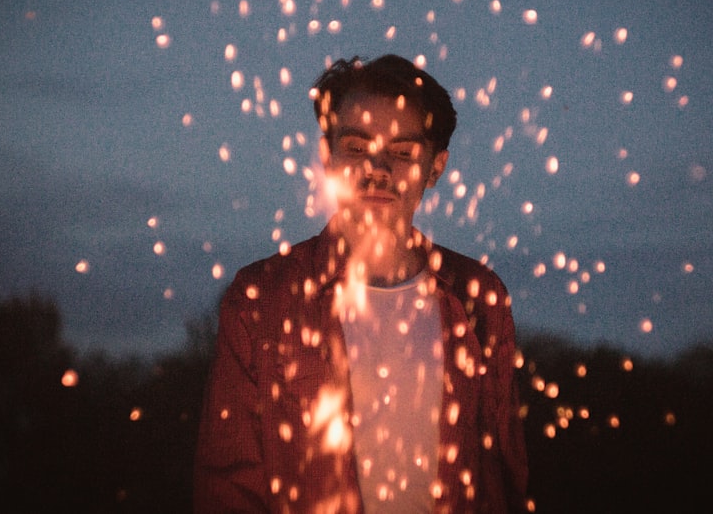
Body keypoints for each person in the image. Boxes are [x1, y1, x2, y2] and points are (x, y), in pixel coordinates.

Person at [195, 54, 529, 513]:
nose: (378, 168)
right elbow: (228, 488)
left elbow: (503, 476)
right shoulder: (261, 299)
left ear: (436, 168)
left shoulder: (478, 296)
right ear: (327, 156)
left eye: (403, 152)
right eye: (356, 147)